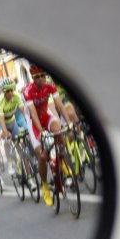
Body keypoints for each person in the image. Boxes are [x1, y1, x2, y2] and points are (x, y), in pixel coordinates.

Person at [23, 65, 70, 207]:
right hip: (34, 121)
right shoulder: (27, 90)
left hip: (46, 115)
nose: (41, 79)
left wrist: (69, 122)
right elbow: (32, 112)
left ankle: (62, 160)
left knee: (58, 129)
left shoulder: (49, 86)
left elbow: (59, 105)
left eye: (43, 75)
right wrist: (41, 131)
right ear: (32, 78)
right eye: (37, 77)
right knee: (43, 156)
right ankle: (44, 185)